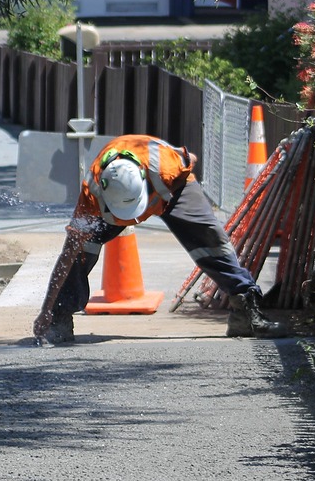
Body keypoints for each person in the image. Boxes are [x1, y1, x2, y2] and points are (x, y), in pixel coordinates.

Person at [33, 134, 289, 345]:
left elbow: (191, 158)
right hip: (127, 200)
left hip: (173, 190)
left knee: (211, 242)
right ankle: (59, 318)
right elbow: (67, 252)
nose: (134, 221)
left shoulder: (166, 165)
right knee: (80, 253)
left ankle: (245, 309)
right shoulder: (91, 196)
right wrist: (46, 309)